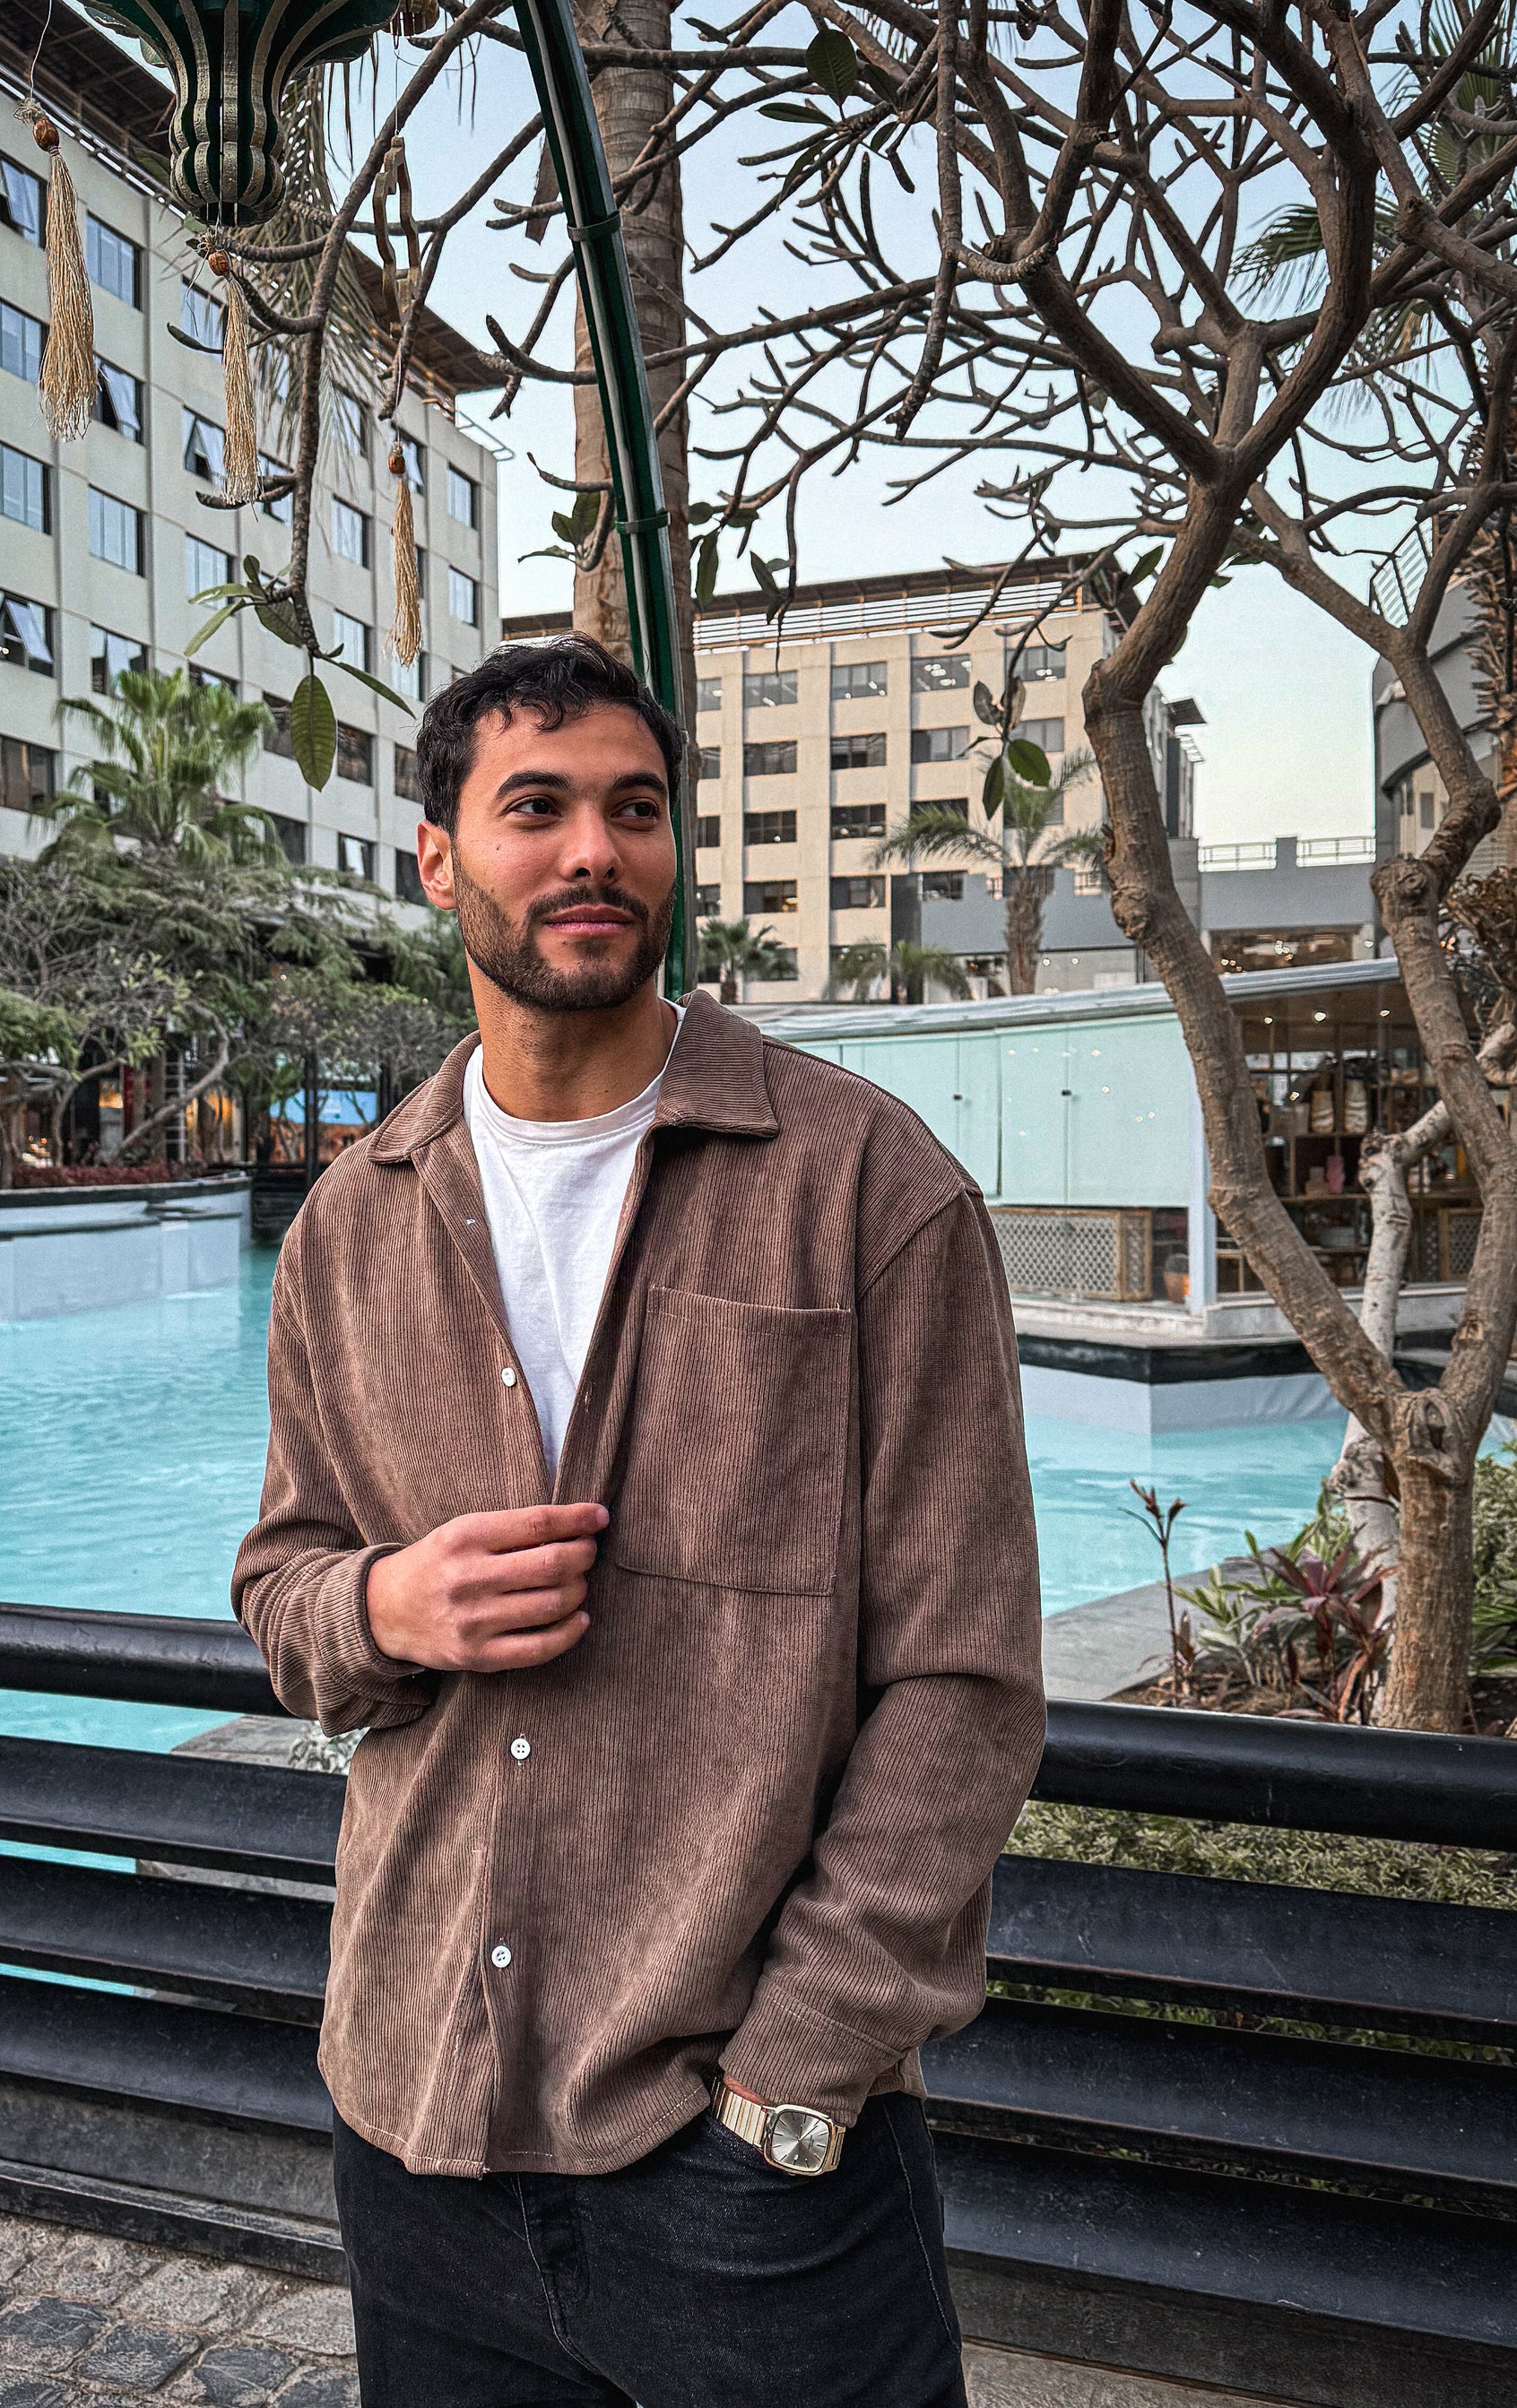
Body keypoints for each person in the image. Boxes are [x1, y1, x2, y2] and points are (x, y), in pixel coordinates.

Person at [232, 635, 1045, 2408]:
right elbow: (283, 1587)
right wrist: (385, 1607)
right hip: (416, 2118)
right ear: (437, 856)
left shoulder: (867, 1188)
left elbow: (963, 1678)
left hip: (744, 2159)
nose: (594, 848)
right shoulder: (350, 1227)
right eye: (535, 806)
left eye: (636, 808)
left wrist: (794, 2076)